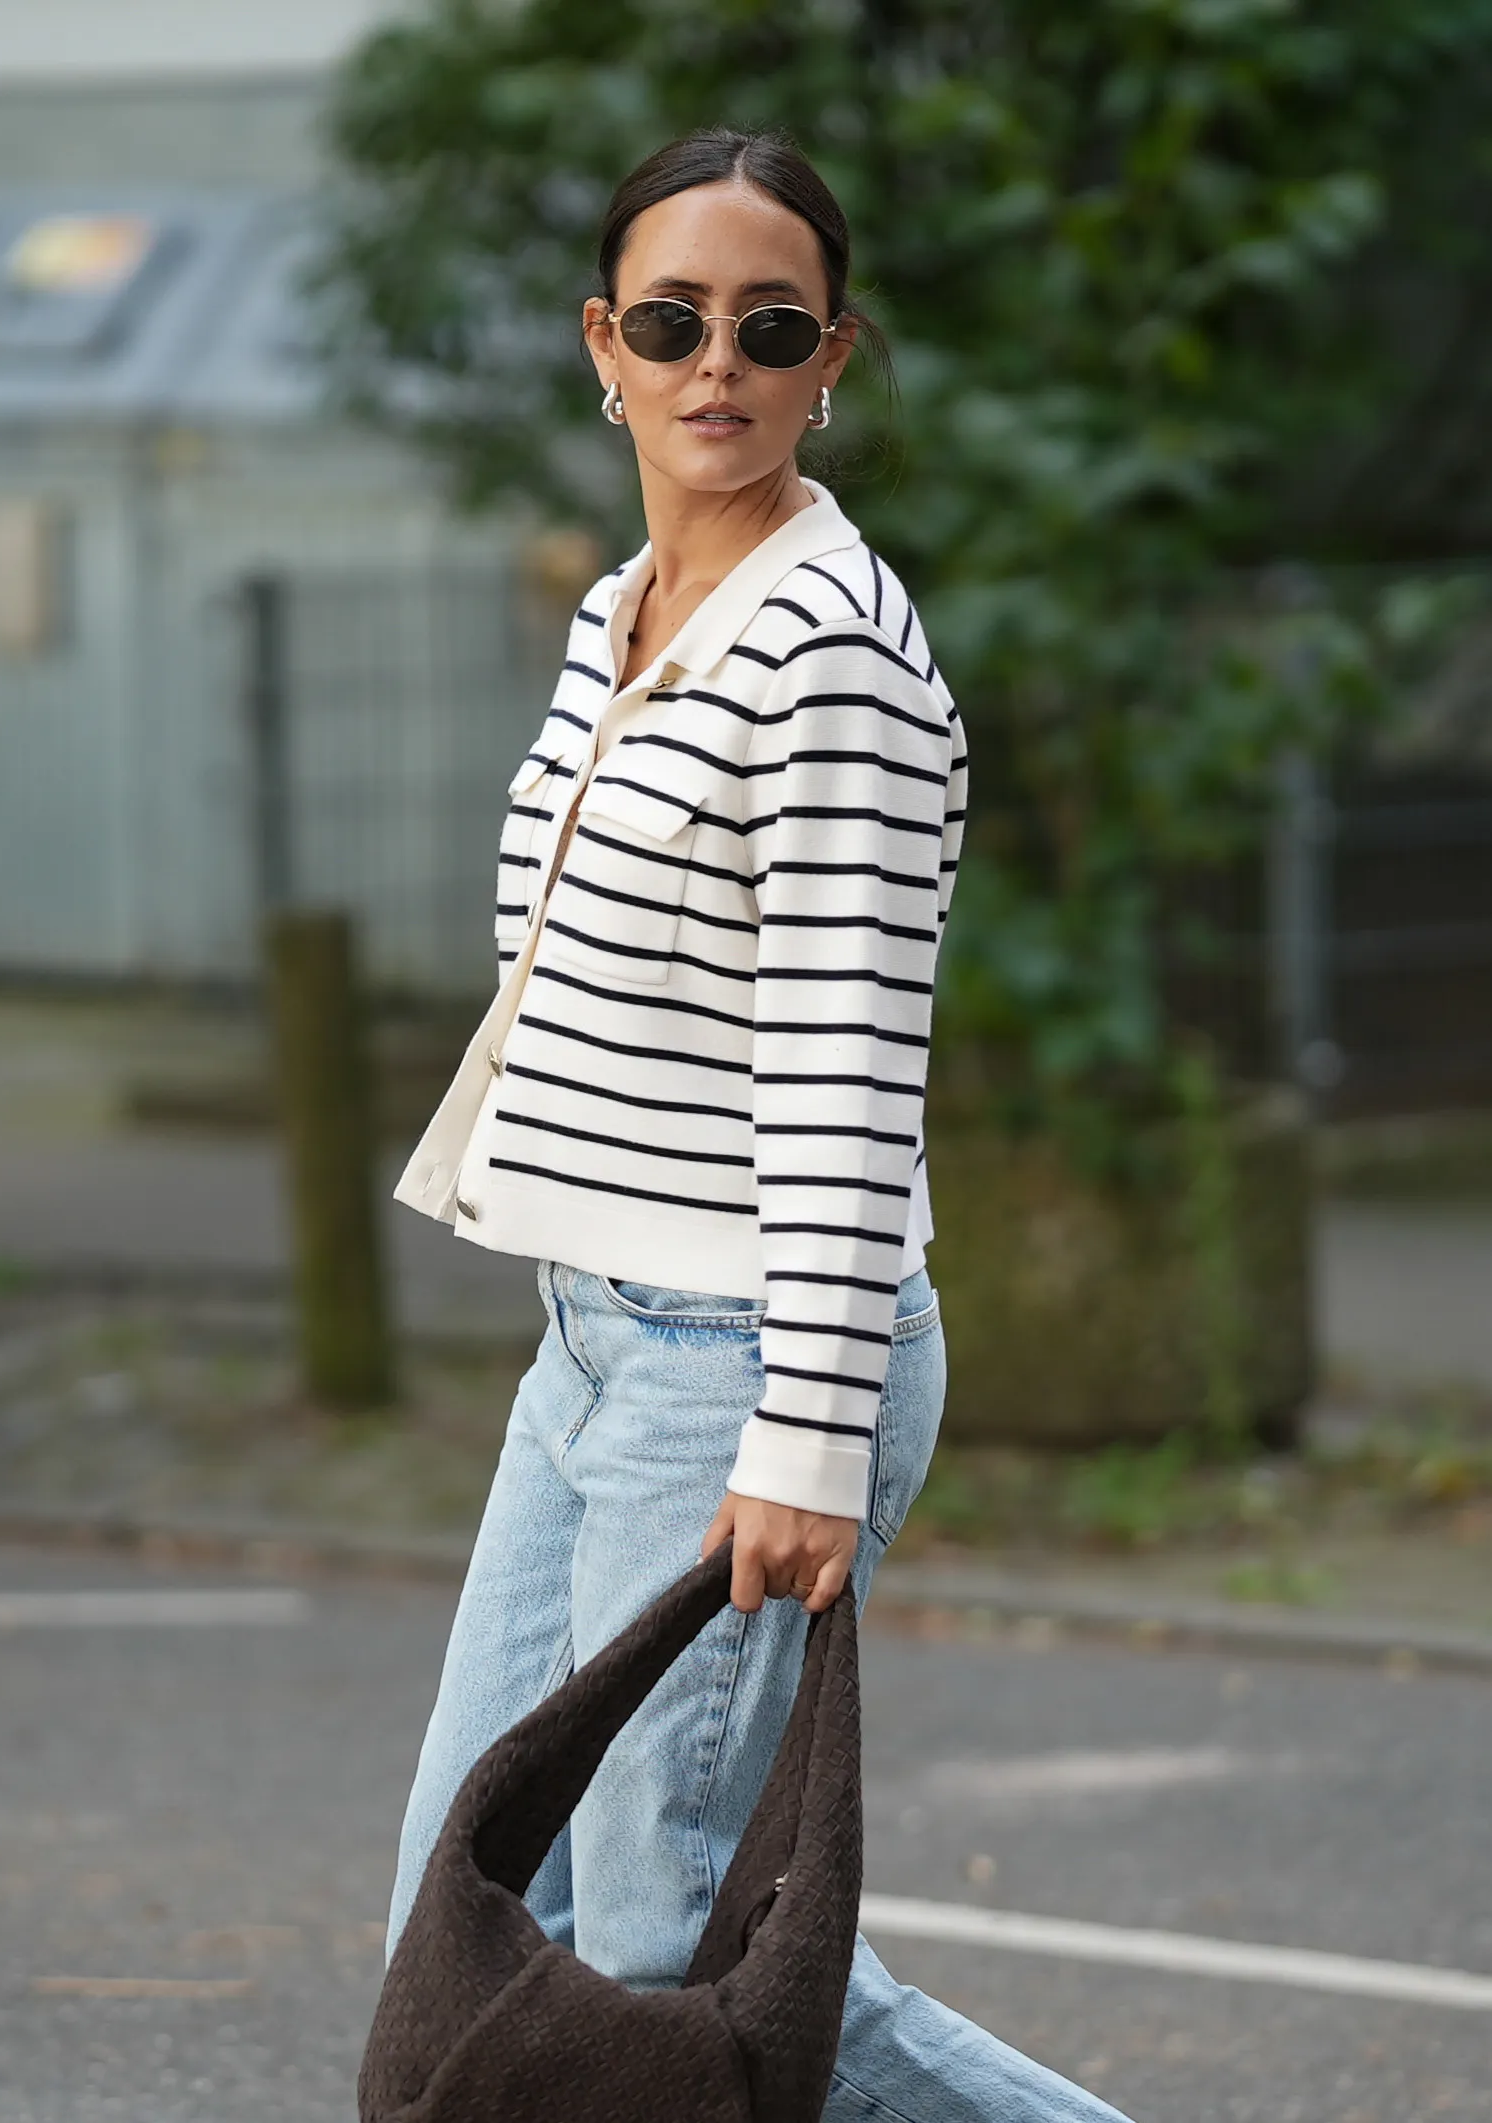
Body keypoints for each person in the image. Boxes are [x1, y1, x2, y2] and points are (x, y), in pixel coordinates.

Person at [384, 128, 1135, 2123]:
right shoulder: (629, 612)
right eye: (672, 317)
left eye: (770, 324)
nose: (717, 358)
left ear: (832, 361)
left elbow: (841, 1062)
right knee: (463, 1915)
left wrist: (799, 1433)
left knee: (678, 1961)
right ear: (601, 350)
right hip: (598, 1339)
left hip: (740, 1368)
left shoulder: (832, 661)